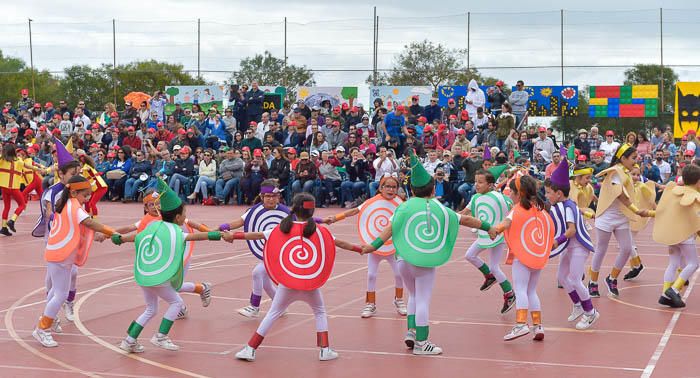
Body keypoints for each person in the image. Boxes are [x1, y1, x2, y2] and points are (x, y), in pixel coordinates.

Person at [362, 150, 490, 355]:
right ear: (432, 190)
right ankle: (422, 343)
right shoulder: (438, 207)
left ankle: (412, 332)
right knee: (422, 299)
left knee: (413, 295)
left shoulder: (403, 207)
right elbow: (464, 219)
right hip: (424, 260)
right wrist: (488, 227)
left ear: (411, 189)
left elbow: (389, 229)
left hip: (403, 259)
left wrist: (373, 246)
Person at [234, 192, 363, 362]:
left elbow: (255, 235)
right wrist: (360, 249)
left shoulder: (280, 229)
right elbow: (342, 244)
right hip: (310, 282)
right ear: (313, 211)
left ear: (293, 208)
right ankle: (325, 350)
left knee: (272, 313)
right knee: (319, 312)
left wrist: (233, 236)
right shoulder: (320, 231)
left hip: (288, 282)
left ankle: (250, 348)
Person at [111, 179, 232, 353]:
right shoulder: (177, 231)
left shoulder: (153, 225)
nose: (185, 217)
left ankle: (129, 340)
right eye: (184, 213)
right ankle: (161, 336)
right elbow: (196, 237)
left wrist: (119, 239)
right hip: (157, 277)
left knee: (151, 309)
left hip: (143, 274)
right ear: (177, 217)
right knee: (176, 302)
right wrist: (218, 235)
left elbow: (135, 237)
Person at [33, 175, 117, 347]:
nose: (87, 199)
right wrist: (112, 232)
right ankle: (42, 329)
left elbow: (80, 228)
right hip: (62, 255)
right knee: (61, 294)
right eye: (85, 195)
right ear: (74, 192)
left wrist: (102, 235)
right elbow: (91, 224)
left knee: (55, 291)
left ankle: (47, 320)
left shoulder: (66, 205)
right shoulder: (74, 207)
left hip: (55, 252)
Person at [326, 175, 407, 317]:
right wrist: (335, 218)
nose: (390, 189)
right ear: (381, 188)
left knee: (399, 273)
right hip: (374, 245)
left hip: (393, 246)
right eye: (387, 186)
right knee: (371, 275)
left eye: (394, 187)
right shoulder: (372, 202)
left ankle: (399, 300)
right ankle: (370, 303)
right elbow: (354, 211)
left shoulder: (400, 204)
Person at [488, 175, 553, 341]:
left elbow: (505, 224)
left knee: (520, 289)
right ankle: (538, 326)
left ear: (519, 194)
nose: (509, 195)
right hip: (537, 256)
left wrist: (494, 230)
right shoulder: (541, 210)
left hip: (522, 257)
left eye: (511, 192)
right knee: (531, 290)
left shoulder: (516, 210)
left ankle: (521, 324)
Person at [587, 144, 654, 298]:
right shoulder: (615, 172)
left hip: (621, 217)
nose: (635, 161)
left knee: (626, 248)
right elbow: (620, 195)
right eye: (633, 158)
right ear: (623, 158)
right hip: (606, 217)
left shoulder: (625, 172)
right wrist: (637, 211)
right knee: (601, 249)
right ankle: (593, 282)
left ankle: (612, 278)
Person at [544, 159, 600, 330]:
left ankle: (590, 313)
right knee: (562, 277)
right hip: (568, 247)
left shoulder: (568, 206)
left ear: (558, 193)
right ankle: (577, 305)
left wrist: (556, 241)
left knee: (575, 279)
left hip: (578, 247)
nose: (546, 196)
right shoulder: (561, 204)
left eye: (548, 193)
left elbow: (571, 230)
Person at [461, 167, 515, 313]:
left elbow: (515, 209)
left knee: (495, 267)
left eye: (480, 182)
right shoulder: (475, 198)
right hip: (484, 235)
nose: (476, 185)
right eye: (475, 182)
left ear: (490, 185)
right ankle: (489, 277)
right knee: (469, 255)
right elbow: (464, 213)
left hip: (497, 235)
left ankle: (509, 294)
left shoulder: (500, 198)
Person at [653, 164, 700, 308]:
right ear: (698, 181)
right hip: (685, 235)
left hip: (672, 233)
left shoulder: (674, 190)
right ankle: (673, 289)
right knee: (693, 263)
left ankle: (664, 295)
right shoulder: (696, 196)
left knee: (673, 263)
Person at [624, 164, 656, 281]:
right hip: (627, 216)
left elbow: (650, 199)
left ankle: (637, 265)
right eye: (633, 174)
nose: (636, 177)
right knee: (628, 244)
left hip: (635, 217)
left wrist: (657, 212)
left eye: (638, 175)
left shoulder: (641, 186)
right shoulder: (625, 186)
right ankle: (635, 266)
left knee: (628, 243)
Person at [0, 144, 33, 235]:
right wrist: (43, 170)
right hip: (14, 188)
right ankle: (12, 220)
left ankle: (4, 227)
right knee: (22, 205)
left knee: (6, 207)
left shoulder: (2, 160)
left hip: (4, 187)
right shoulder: (18, 161)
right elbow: (29, 166)